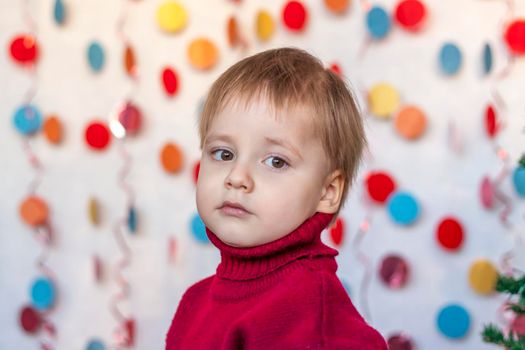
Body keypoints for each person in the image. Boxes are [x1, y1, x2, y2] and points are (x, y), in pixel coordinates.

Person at [165, 47, 387, 349]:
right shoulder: (195, 300)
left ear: (327, 192)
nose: (237, 177)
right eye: (223, 153)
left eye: (276, 162)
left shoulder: (308, 307)